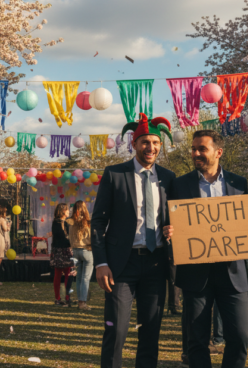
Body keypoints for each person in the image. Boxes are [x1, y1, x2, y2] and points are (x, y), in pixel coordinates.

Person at [92, 113, 176, 368]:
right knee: (116, 331)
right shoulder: (114, 174)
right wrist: (101, 263)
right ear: (134, 144)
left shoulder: (169, 178)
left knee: (150, 332)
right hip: (121, 265)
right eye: (145, 142)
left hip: (156, 263)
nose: (151, 148)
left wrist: (175, 229)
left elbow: (176, 216)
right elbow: (98, 222)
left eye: (155, 143)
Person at [164, 129, 248, 368]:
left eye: (202, 149)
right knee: (196, 339)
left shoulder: (239, 183)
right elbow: (170, 221)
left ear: (218, 152)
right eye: (193, 149)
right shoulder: (179, 185)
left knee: (240, 336)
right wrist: (169, 231)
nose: (196, 153)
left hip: (233, 273)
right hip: (195, 273)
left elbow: (246, 223)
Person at [70, 200, 94, 311]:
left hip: (75, 251)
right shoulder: (88, 222)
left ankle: (80, 301)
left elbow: (70, 238)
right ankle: (82, 303)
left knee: (79, 278)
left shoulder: (71, 222)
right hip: (87, 251)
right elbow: (92, 239)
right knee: (85, 278)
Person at [51, 203, 75, 306]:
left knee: (68, 274)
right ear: (62, 211)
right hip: (61, 251)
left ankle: (67, 297)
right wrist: (72, 241)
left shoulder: (65, 222)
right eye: (67, 209)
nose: (68, 211)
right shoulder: (57, 222)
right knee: (59, 274)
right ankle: (58, 298)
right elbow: (63, 236)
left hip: (65, 250)